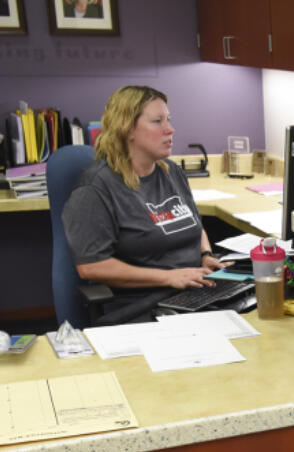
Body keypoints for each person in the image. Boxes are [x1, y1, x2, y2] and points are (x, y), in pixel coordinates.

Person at [63, 85, 222, 296]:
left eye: (169, 119)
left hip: (194, 288)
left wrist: (206, 255)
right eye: (157, 121)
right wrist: (170, 277)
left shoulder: (171, 172)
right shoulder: (95, 188)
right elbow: (91, 267)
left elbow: (194, 223)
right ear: (127, 128)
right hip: (146, 303)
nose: (170, 129)